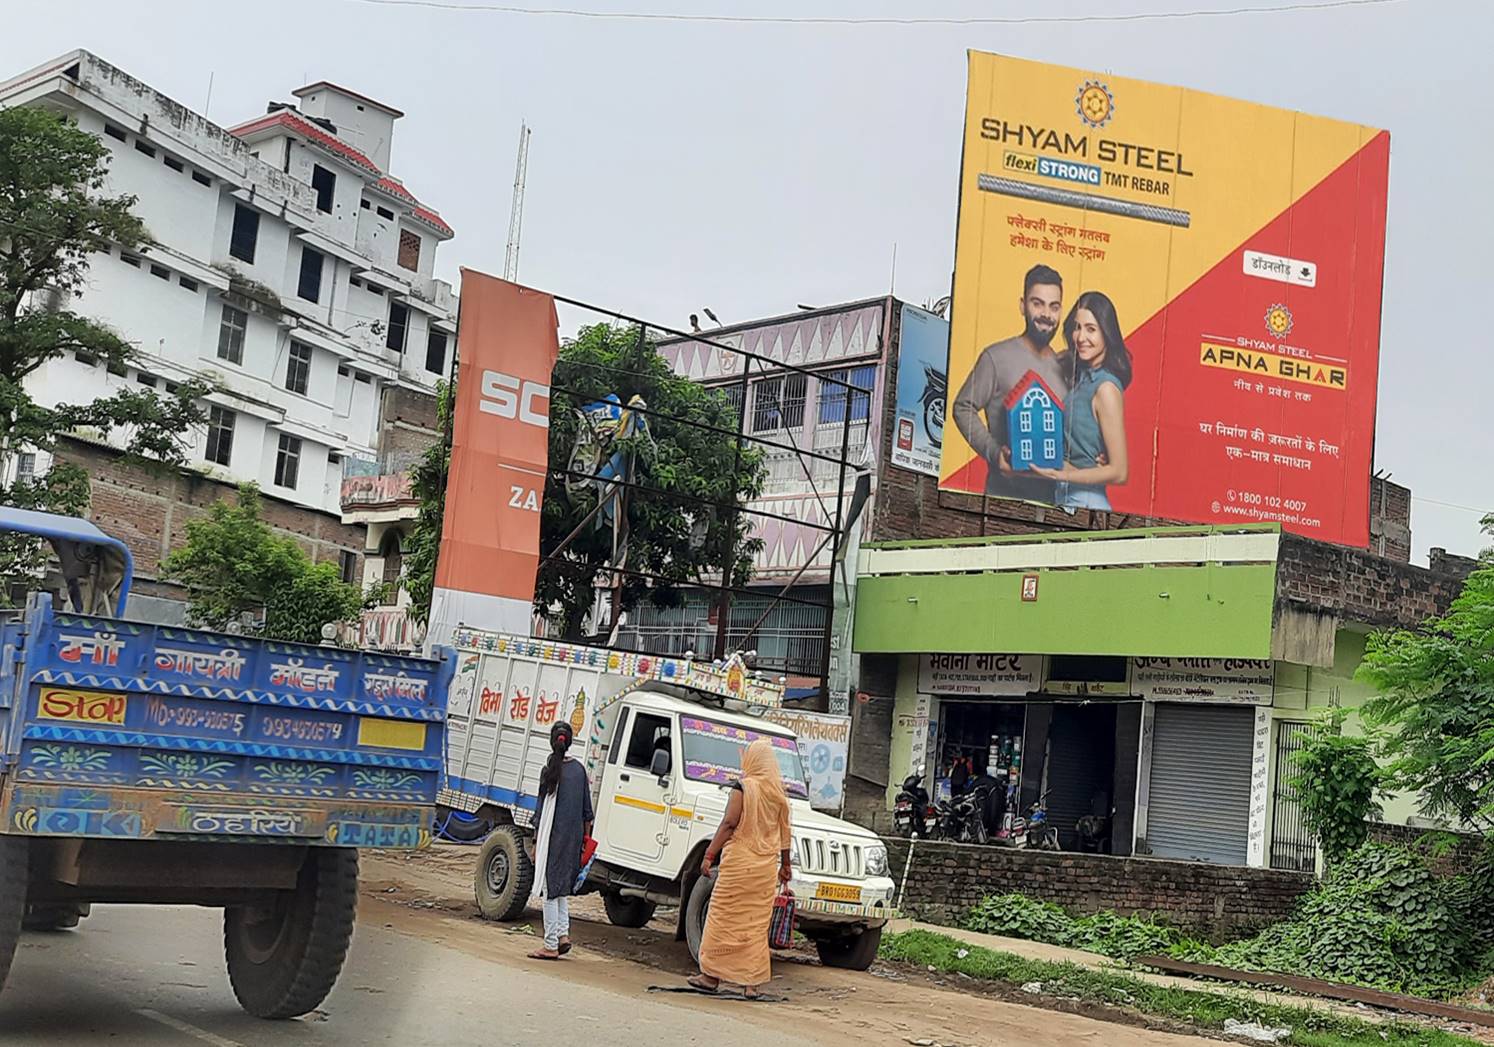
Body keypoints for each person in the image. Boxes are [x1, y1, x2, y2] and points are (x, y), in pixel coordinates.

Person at [951, 264, 1071, 501]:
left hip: (1055, 508)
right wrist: (995, 455)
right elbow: (962, 406)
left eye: (1053, 306)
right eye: (1037, 303)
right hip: (1002, 503)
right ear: (1022, 306)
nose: (1046, 314)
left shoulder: (1067, 369)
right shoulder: (996, 357)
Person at [688, 738, 793, 998]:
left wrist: (709, 854)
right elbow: (785, 833)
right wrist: (786, 866)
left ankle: (710, 976)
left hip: (739, 865)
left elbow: (729, 823)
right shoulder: (779, 795)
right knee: (755, 924)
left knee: (721, 917)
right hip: (766, 868)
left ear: (751, 760)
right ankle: (751, 984)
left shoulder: (743, 787)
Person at [1031, 290, 1133, 510]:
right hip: (1066, 498)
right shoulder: (1080, 378)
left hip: (1086, 500)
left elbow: (1119, 471)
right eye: (1077, 327)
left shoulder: (1106, 388)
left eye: (1091, 329)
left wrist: (1064, 473)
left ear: (1107, 334)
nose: (1081, 337)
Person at [528, 721, 593, 961]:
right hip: (573, 838)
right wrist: (585, 840)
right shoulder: (579, 770)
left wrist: (536, 843)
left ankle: (550, 944)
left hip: (552, 838)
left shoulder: (550, 770)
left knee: (549, 890)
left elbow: (539, 810)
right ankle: (563, 935)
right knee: (561, 888)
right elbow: (588, 811)